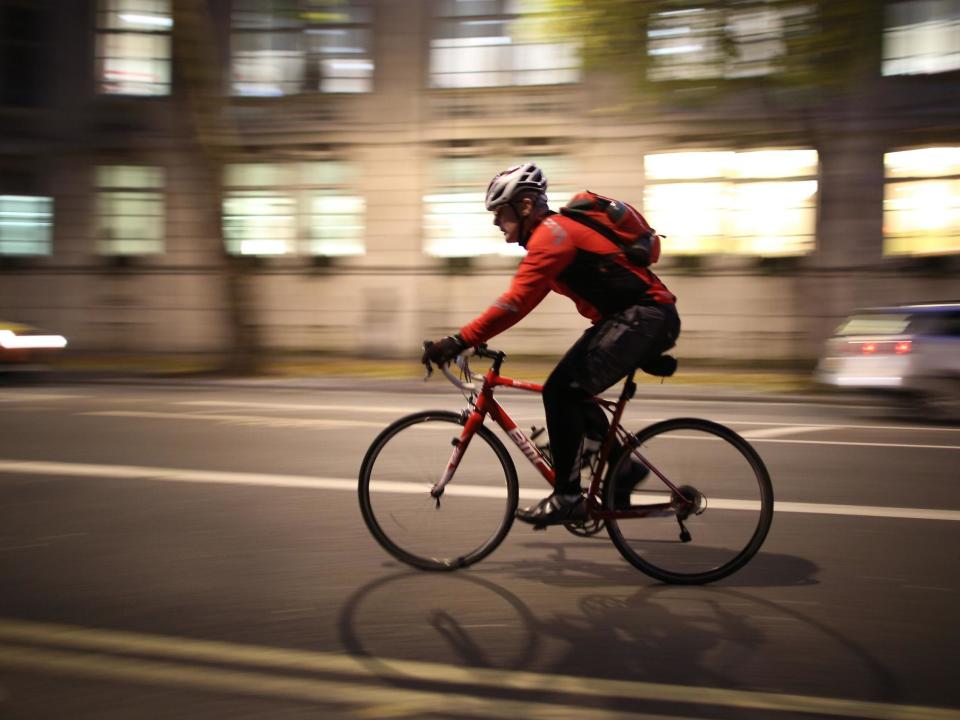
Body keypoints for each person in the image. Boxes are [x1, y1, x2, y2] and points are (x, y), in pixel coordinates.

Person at [422, 162, 680, 528]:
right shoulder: (554, 238)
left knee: (561, 391)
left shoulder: (553, 236)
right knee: (572, 387)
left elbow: (514, 302)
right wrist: (471, 339)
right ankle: (622, 468)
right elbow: (519, 305)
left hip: (644, 318)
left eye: (501, 212)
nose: (497, 221)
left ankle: (568, 497)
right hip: (635, 320)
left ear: (525, 206)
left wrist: (458, 340)